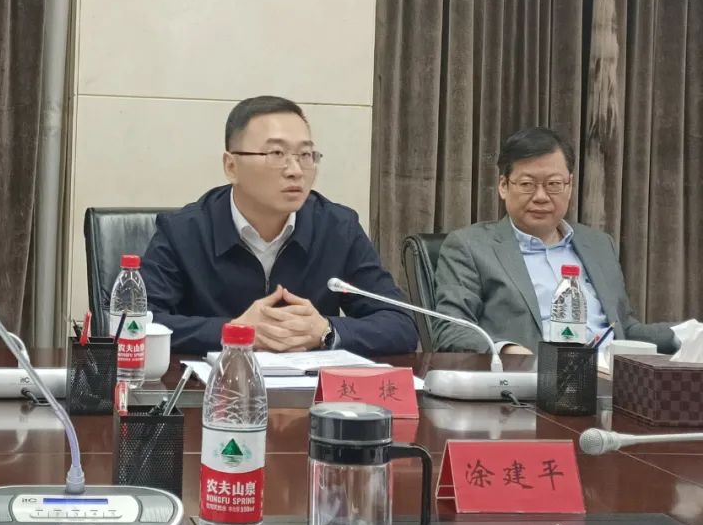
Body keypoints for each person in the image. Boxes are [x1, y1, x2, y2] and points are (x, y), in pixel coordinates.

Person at [141, 95, 417, 356]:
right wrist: (233, 332)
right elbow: (136, 323)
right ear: (231, 166)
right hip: (212, 386)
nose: (295, 170)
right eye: (276, 153)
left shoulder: (337, 228)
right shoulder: (184, 232)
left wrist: (327, 331)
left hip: (309, 388)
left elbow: (400, 323)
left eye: (305, 155)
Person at [433, 126, 678, 354]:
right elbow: (451, 329)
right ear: (504, 186)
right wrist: (507, 352)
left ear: (569, 186)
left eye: (553, 184)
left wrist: (685, 336)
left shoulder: (599, 245)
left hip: (612, 375)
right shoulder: (471, 247)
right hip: (536, 377)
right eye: (527, 184)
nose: (541, 196)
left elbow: (624, 329)